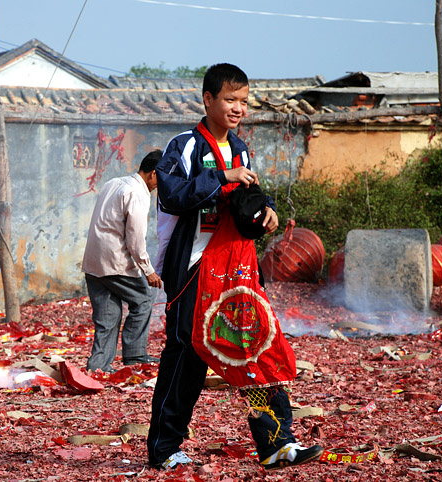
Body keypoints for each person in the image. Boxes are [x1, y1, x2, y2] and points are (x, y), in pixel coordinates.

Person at [147, 64, 322, 471]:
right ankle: (164, 449)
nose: (238, 108)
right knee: (186, 357)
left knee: (254, 350)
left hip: (237, 271)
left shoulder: (241, 149)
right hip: (192, 268)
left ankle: (278, 443)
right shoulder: (185, 146)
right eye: (230, 99)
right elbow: (170, 194)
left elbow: (252, 194)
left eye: (243, 101)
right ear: (207, 100)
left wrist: (269, 212)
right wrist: (221, 176)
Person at [82, 150, 163, 373]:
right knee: (144, 299)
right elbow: (135, 240)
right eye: (163, 179)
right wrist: (148, 271)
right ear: (154, 174)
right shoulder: (137, 193)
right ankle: (135, 356)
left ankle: (98, 366)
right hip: (115, 261)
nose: (161, 185)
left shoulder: (114, 182)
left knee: (108, 316)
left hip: (94, 261)